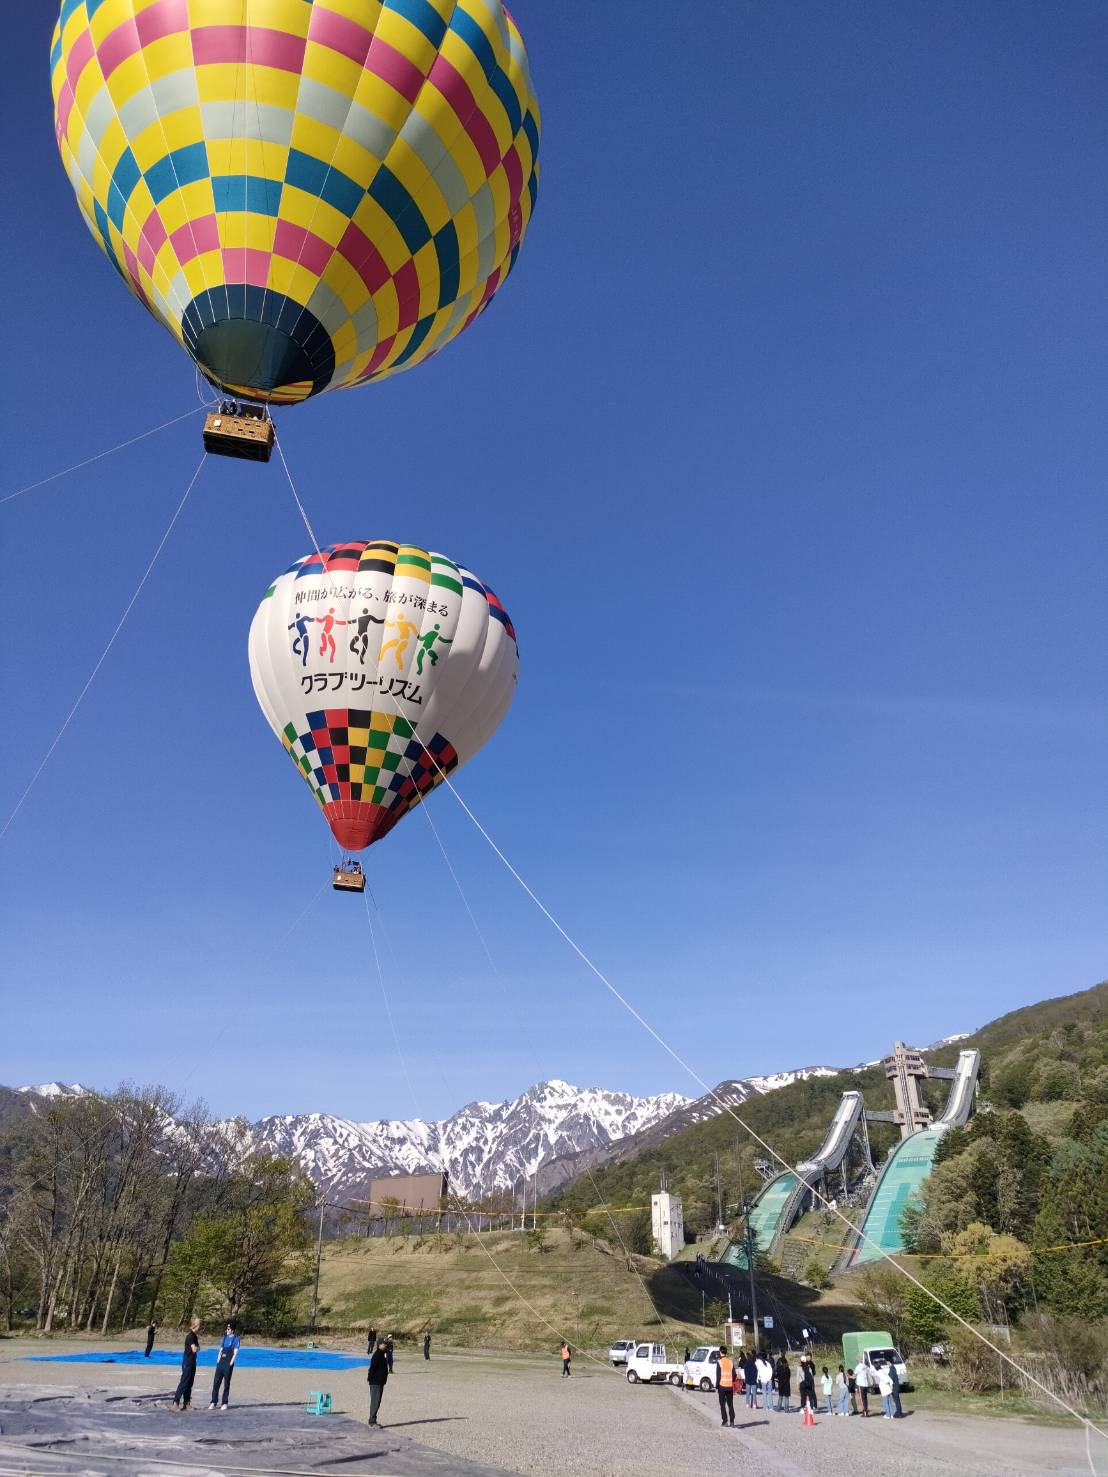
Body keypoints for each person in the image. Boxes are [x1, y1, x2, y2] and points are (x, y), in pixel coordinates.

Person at [209, 1321, 240, 1410]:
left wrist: (231, 1363)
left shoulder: (236, 1339)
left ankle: (224, 1402)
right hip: (221, 1362)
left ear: (232, 1330)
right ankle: (213, 1402)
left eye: (228, 1329)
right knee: (216, 1383)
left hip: (228, 1363)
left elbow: (235, 1352)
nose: (227, 1330)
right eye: (226, 1328)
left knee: (226, 1383)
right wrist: (218, 1360)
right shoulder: (224, 1338)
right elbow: (221, 1349)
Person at [171, 1318, 200, 1411]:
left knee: (190, 1383)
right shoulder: (190, 1336)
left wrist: (197, 1347)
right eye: (199, 1325)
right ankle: (175, 1403)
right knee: (184, 1382)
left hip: (192, 1362)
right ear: (195, 1325)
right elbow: (195, 1349)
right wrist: (196, 1347)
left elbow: (198, 1347)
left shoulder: (195, 1336)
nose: (200, 1327)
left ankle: (186, 1403)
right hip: (187, 1362)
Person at [367, 1337, 389, 1426]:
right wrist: (371, 1379)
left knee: (378, 1401)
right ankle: (372, 1421)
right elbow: (372, 1368)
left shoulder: (382, 1354)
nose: (386, 1345)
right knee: (375, 1402)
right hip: (376, 1382)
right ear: (379, 1345)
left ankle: (373, 1419)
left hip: (380, 1382)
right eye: (384, 1344)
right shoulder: (377, 1355)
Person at [715, 1346, 736, 1427]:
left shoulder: (719, 1362)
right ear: (726, 1352)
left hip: (722, 1386)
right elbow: (734, 1374)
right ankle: (732, 1422)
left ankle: (725, 1421)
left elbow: (718, 1375)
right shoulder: (730, 1362)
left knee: (722, 1405)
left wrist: (717, 1386)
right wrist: (732, 1381)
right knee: (730, 1404)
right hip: (730, 1386)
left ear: (720, 1352)